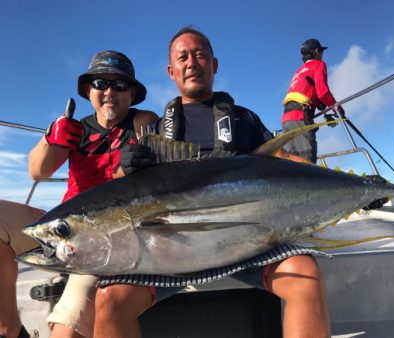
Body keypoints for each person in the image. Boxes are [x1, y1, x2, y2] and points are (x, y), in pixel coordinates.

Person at [93, 27, 330, 338]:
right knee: (109, 301)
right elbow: (124, 194)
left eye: (200, 55)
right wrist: (123, 168)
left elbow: (284, 160)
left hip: (244, 244)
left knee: (306, 277)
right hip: (169, 252)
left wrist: (354, 184)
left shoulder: (244, 119)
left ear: (214, 65)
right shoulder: (151, 129)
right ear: (171, 70)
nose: (192, 62)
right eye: (183, 57)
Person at [0, 50, 158, 338]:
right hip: (63, 228)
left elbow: (155, 170)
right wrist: (51, 139)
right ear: (88, 90)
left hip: (108, 235)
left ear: (132, 93)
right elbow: (37, 171)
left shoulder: (142, 122)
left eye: (120, 85)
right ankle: (8, 328)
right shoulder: (75, 129)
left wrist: (128, 167)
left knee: (66, 329)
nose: (110, 91)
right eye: (100, 83)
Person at [282, 38, 345, 163]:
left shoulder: (298, 71)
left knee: (292, 163)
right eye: (321, 51)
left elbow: (305, 91)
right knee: (307, 160)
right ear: (317, 51)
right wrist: (338, 108)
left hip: (286, 119)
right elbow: (323, 92)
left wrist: (317, 103)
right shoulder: (318, 64)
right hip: (300, 117)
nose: (322, 55)